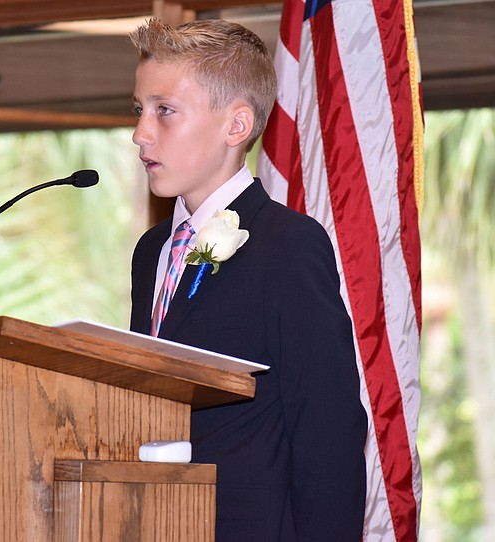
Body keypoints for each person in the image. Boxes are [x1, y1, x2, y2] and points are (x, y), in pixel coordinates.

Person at [128, 18, 367, 541]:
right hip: (158, 521)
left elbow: (327, 427)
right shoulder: (152, 252)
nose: (141, 132)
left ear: (236, 127)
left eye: (164, 111)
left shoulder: (288, 244)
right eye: (139, 110)